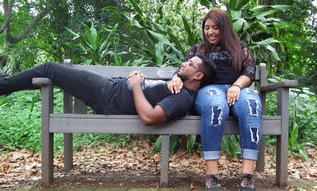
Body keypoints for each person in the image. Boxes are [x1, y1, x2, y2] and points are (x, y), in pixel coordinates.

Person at [168, 8, 262, 191]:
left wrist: (236, 86)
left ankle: (247, 175)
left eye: (215, 28)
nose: (210, 32)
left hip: (239, 89)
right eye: (207, 28)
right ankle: (212, 175)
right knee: (216, 105)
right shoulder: (198, 49)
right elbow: (183, 68)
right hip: (209, 91)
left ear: (224, 28)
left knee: (252, 105)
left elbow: (249, 72)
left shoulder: (240, 48)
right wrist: (176, 77)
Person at [0, 54, 216, 125]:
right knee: (50, 71)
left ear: (198, 76)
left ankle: (4, 85)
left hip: (107, 95)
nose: (184, 63)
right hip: (110, 89)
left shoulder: (183, 99)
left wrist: (135, 86)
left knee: (49, 69)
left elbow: (149, 118)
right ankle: (7, 83)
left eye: (190, 64)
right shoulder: (178, 84)